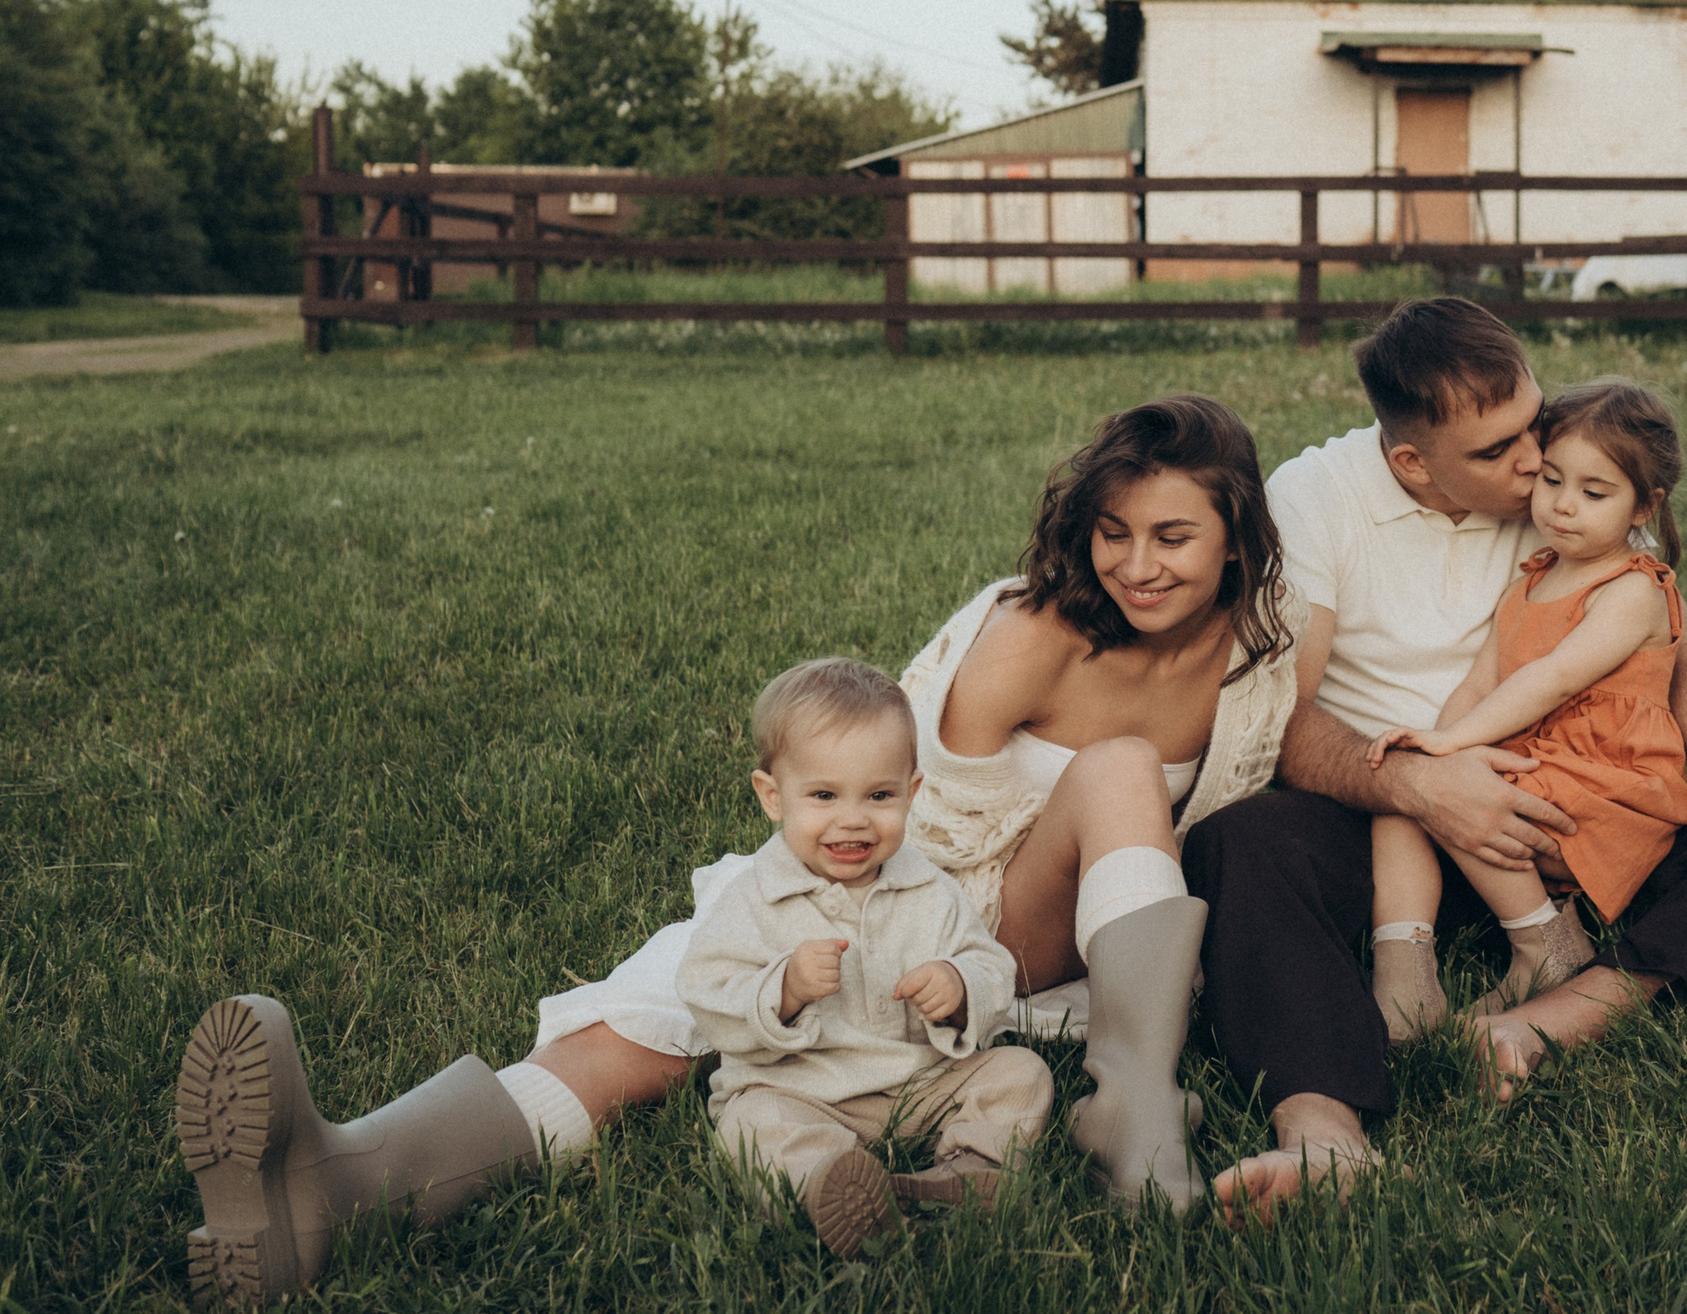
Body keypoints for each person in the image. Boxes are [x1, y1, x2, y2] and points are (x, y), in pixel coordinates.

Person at [176, 394, 1303, 1302]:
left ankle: (1136, 1119)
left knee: (1111, 767)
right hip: (906, 889)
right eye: (1113, 532)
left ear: (1237, 536)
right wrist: (823, 933)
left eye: (1172, 536)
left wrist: (1403, 770)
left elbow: (1310, 743)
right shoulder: (1037, 631)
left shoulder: (1260, 653)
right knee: (666, 1012)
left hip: (1032, 952)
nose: (1136, 564)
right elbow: (907, 823)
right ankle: (348, 1180)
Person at [1184, 298, 1687, 1219]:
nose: (1535, 461)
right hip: (1396, 835)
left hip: (1573, 822)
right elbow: (1284, 716)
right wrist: (1424, 784)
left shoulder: (1570, 481)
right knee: (1239, 843)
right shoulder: (1316, 499)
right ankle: (1324, 1134)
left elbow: (1677, 651)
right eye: (1500, 450)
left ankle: (1552, 1015)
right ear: (1413, 463)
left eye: (1535, 422)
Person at [676, 658, 1050, 1256]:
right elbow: (707, 992)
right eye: (824, 795)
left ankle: (968, 1171)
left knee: (1020, 1073)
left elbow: (990, 967)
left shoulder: (928, 889)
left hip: (919, 1083)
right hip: (799, 1090)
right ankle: (828, 1184)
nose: (853, 820)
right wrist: (784, 988)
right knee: (753, 1123)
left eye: (879, 795)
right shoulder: (753, 898)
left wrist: (959, 986)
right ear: (773, 797)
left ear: (912, 793)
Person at [1365, 377, 1687, 1039]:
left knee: (1471, 796)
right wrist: (1435, 753)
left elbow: (1554, 678)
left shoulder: (1632, 592)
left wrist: (1454, 748)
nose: (1564, 505)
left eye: (1594, 493)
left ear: (1644, 505)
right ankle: (1404, 977)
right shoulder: (1531, 580)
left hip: (1608, 790)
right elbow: (1481, 680)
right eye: (1551, 480)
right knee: (1403, 793)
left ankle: (1546, 945)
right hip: (1545, 768)